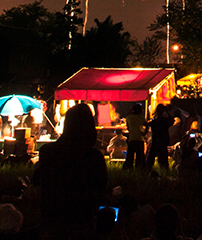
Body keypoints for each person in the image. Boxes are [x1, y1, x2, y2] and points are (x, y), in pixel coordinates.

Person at [36, 102, 109, 239]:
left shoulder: (47, 152)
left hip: (52, 223)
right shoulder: (94, 158)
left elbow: (41, 185)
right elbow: (99, 193)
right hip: (82, 224)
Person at [123, 103, 146, 169]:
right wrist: (144, 133)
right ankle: (138, 168)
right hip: (140, 139)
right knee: (139, 156)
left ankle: (129, 168)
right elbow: (146, 125)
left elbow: (127, 126)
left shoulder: (129, 117)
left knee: (130, 156)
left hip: (131, 139)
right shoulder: (141, 118)